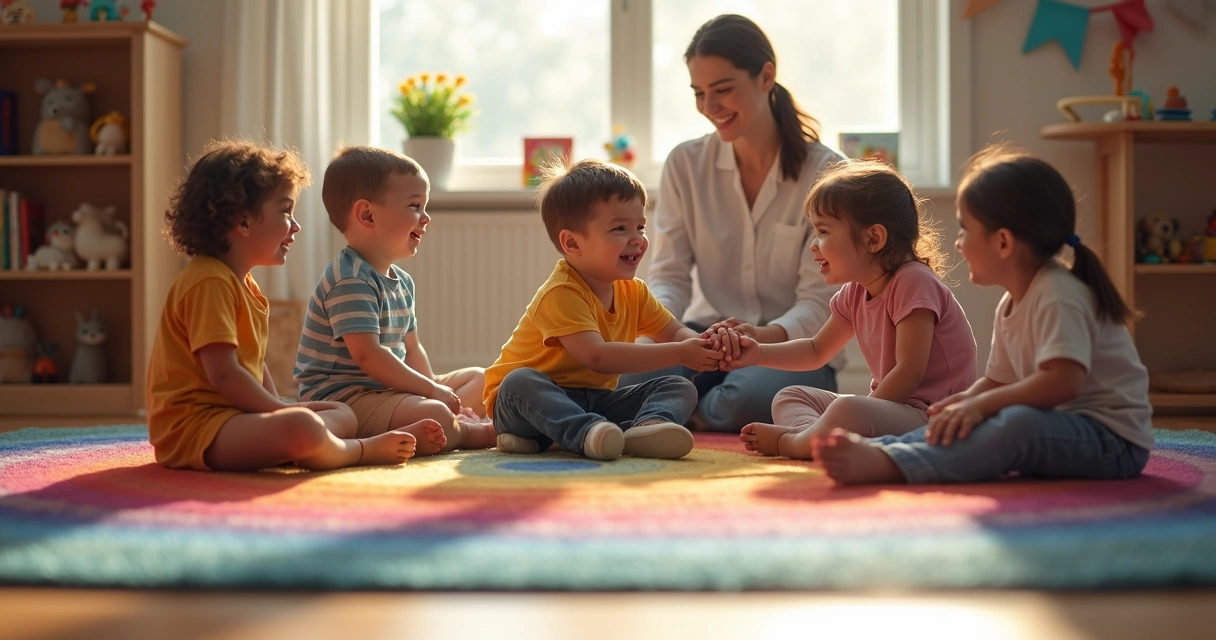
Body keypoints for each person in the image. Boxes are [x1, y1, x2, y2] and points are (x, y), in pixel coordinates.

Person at [812, 144, 1153, 486]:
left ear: (1003, 242)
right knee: (972, 420)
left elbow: (1062, 381)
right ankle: (886, 452)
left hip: (1112, 443)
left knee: (1016, 422)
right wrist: (967, 401)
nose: (958, 243)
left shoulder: (1058, 295)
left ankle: (893, 465)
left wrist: (983, 406)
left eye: (965, 230)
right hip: (1065, 429)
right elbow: (999, 380)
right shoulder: (1011, 303)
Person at [147, 139, 433, 471]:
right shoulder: (208, 281)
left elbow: (254, 366)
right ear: (243, 222)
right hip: (195, 431)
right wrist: (278, 410)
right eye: (285, 211)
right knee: (302, 425)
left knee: (340, 412)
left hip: (230, 420)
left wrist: (280, 405)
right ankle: (358, 451)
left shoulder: (242, 284)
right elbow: (224, 375)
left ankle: (310, 444)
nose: (295, 225)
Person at [622, 14, 843, 433]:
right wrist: (674, 335)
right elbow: (669, 276)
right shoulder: (685, 165)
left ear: (766, 77)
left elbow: (821, 303)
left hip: (791, 347)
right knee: (621, 380)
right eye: (699, 93)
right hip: (702, 337)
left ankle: (670, 409)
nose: (709, 107)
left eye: (722, 90)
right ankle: (674, 404)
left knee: (747, 402)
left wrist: (759, 339)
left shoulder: (829, 174)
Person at [722, 160, 977, 459]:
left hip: (932, 418)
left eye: (823, 231)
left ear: (873, 239)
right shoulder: (855, 291)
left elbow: (909, 372)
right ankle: (814, 438)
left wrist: (867, 410)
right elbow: (816, 350)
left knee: (849, 409)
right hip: (890, 411)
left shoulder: (913, 281)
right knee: (790, 395)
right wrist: (760, 353)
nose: (814, 246)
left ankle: (792, 444)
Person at [484, 159, 723, 461]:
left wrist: (705, 346)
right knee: (519, 381)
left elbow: (674, 331)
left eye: (640, 226)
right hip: (521, 403)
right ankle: (586, 433)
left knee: (679, 386)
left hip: (594, 400)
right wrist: (680, 353)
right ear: (572, 243)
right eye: (620, 228)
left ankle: (649, 427)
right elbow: (596, 356)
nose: (637, 238)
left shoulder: (633, 291)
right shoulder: (561, 292)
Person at [293, 146, 494, 455]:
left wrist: (434, 388)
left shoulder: (402, 281)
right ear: (367, 214)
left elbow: (411, 348)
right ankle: (471, 434)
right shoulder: (350, 279)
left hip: (388, 391)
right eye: (415, 206)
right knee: (436, 414)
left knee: (482, 379)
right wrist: (431, 394)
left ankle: (440, 424)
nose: (426, 218)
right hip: (346, 399)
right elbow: (369, 357)